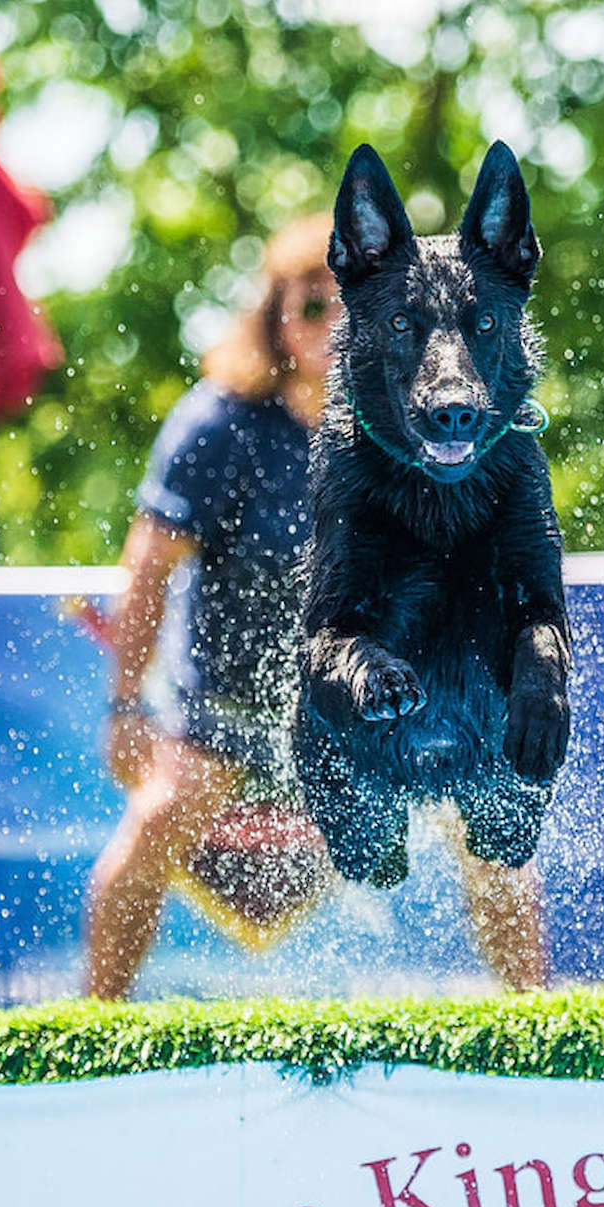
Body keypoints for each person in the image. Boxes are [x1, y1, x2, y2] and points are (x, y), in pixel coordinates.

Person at [85, 213, 547, 1000]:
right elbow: (147, 570)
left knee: (493, 828)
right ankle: (92, 1024)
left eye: (352, 308)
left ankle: (536, 1020)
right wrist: (128, 705)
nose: (331, 325)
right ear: (274, 322)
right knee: (158, 814)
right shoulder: (219, 425)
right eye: (308, 307)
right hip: (232, 706)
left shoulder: (433, 426)